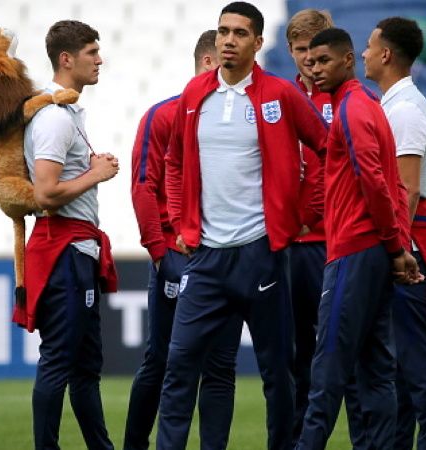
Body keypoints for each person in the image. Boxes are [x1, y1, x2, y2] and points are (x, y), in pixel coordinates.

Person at [157, 2, 328, 449]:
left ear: (257, 42)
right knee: (178, 367)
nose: (229, 40)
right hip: (207, 258)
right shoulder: (194, 94)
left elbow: (326, 150)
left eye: (239, 33)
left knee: (279, 372)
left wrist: (306, 215)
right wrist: (178, 221)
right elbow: (174, 162)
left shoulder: (280, 95)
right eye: (223, 32)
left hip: (262, 254)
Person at [296, 27, 421, 450]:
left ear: (348, 60)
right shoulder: (369, 106)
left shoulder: (351, 109)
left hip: (354, 250)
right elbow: (394, 184)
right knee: (375, 369)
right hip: (375, 250)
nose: (315, 70)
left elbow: (374, 180)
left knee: (328, 368)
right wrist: (397, 247)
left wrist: (393, 244)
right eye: (310, 63)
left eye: (324, 61)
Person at [125, 30, 241, 450]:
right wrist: (160, 253)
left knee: (220, 366)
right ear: (211, 64)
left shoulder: (234, 120)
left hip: (227, 256)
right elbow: (143, 186)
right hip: (178, 256)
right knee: (163, 361)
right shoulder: (164, 115)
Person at [16, 20, 119, 450]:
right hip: (64, 252)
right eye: (92, 52)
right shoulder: (55, 120)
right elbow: (46, 193)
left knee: (83, 365)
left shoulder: (65, 115)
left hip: (77, 249)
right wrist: (96, 174)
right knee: (60, 360)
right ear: (67, 59)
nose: (99, 59)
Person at [362, 17, 426, 450]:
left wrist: (398, 251)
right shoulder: (396, 106)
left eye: (368, 46)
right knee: (401, 370)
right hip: (408, 248)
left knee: (418, 369)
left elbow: (408, 188)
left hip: (409, 253)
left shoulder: (403, 111)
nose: (363, 53)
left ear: (385, 54)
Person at [284, 8, 365, 448]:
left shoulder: (349, 100)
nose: (308, 62)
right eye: (299, 51)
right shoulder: (281, 98)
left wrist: (310, 216)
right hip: (292, 246)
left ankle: (362, 439)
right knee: (298, 355)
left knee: (344, 350)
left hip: (336, 242)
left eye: (316, 52)